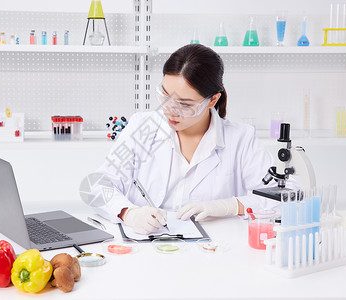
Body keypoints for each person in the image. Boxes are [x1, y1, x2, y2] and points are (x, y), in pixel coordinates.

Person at [88, 44, 282, 235]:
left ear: (212, 100)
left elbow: (285, 197)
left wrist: (231, 205)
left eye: (184, 104)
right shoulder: (142, 127)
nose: (170, 110)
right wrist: (128, 213)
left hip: (215, 251)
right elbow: (96, 186)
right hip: (146, 248)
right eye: (165, 96)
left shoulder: (240, 139)